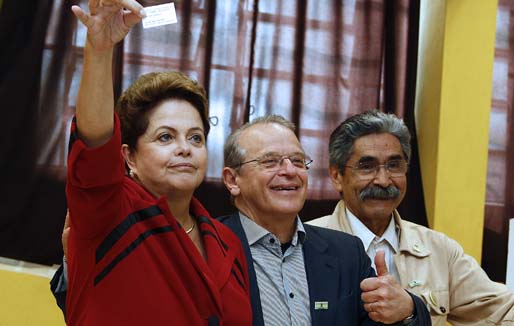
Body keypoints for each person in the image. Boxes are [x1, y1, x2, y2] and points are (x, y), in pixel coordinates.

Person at [308, 110, 514, 325]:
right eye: (367, 166)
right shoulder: (305, 243)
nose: (383, 180)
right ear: (337, 175)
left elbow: (505, 313)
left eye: (394, 165)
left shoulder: (439, 250)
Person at [61, 0, 251, 325]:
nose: (184, 149)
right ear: (129, 157)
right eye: (165, 137)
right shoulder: (107, 212)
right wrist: (99, 49)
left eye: (195, 138)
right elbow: (94, 141)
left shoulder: (226, 240)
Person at [218, 115, 430, 325]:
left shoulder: (347, 252)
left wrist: (407, 311)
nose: (290, 171)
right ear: (232, 180)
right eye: (270, 162)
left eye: (298, 161)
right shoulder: (207, 247)